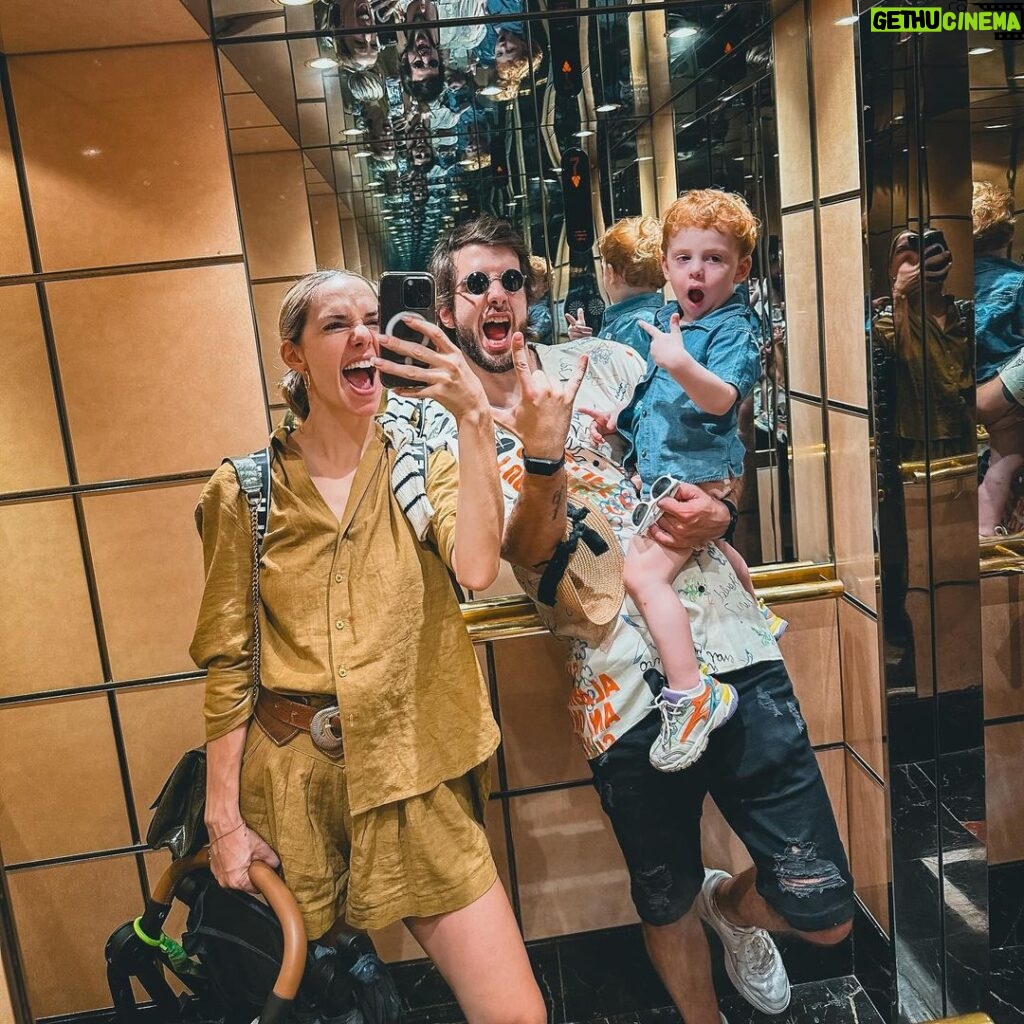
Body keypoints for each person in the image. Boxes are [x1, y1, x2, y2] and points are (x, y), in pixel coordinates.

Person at [383, 216, 854, 1024]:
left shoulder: (604, 363)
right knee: (665, 894)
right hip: (614, 684)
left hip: (731, 644)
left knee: (825, 908)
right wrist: (539, 457)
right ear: (446, 305)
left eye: (511, 281)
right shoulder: (422, 421)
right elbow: (510, 559)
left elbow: (709, 436)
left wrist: (723, 505)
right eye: (476, 284)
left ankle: (734, 911)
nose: (498, 297)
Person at [190, 269, 547, 1023]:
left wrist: (476, 420)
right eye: (335, 324)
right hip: (290, 789)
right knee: (322, 1009)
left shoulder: (424, 463)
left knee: (516, 1014)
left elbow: (478, 568)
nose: (364, 336)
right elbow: (229, 661)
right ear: (295, 356)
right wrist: (224, 822)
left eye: (373, 319)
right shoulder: (247, 493)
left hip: (412, 769)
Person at [581, 190, 786, 772]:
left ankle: (692, 693)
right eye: (684, 258)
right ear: (666, 265)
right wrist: (617, 419)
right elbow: (656, 401)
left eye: (714, 259)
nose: (697, 270)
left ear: (741, 269)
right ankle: (758, 611)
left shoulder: (731, 327)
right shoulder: (681, 325)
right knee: (714, 547)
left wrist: (678, 361)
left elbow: (721, 399)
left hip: (694, 478)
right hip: (676, 472)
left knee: (643, 575)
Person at [972, 181, 1024, 535]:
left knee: (1000, 460)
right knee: (1005, 459)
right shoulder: (1018, 281)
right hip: (1002, 388)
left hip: (970, 388)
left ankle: (984, 530)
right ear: (1007, 236)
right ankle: (988, 530)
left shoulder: (949, 283)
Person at [565, 215, 664, 359]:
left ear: (610, 273)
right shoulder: (661, 317)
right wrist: (583, 342)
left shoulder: (629, 327)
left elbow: (612, 376)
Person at [526, 254, 554, 345]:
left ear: (545, 287)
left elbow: (533, 336)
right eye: (525, 283)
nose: (527, 288)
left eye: (532, 284)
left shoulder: (542, 312)